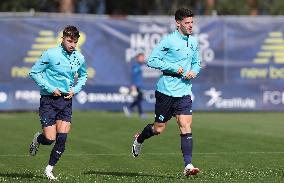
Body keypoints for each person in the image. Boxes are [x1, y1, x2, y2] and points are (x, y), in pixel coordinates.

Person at [131, 8, 201, 176]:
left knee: (185, 125)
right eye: (187, 23)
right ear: (178, 23)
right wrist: (175, 68)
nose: (190, 26)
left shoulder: (193, 41)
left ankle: (188, 166)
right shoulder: (168, 41)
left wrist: (195, 71)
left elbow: (197, 62)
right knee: (158, 129)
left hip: (184, 91)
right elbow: (151, 60)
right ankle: (139, 139)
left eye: (192, 22)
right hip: (166, 91)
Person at [29, 25, 88, 180]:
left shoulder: (79, 57)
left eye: (75, 42)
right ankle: (38, 139)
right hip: (49, 100)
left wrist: (75, 90)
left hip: (66, 100)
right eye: (69, 41)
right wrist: (49, 88)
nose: (72, 45)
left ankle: (49, 169)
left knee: (62, 138)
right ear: (62, 39)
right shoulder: (50, 54)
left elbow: (83, 75)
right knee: (50, 139)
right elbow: (34, 72)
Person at [123, 53, 147, 119]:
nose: (143, 59)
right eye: (141, 57)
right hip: (136, 86)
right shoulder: (136, 66)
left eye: (143, 57)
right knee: (139, 98)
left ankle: (130, 109)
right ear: (137, 58)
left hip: (139, 85)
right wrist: (133, 85)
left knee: (139, 99)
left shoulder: (139, 65)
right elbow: (133, 76)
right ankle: (139, 113)